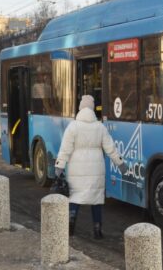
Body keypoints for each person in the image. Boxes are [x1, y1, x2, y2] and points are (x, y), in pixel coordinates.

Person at [54, 95, 127, 239]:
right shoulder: (100, 127)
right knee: (96, 199)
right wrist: (120, 164)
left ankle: (71, 225)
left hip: (77, 169)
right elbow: (111, 148)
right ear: (93, 109)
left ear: (80, 108)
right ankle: (97, 230)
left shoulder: (73, 126)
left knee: (75, 197)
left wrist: (59, 166)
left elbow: (65, 149)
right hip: (96, 169)